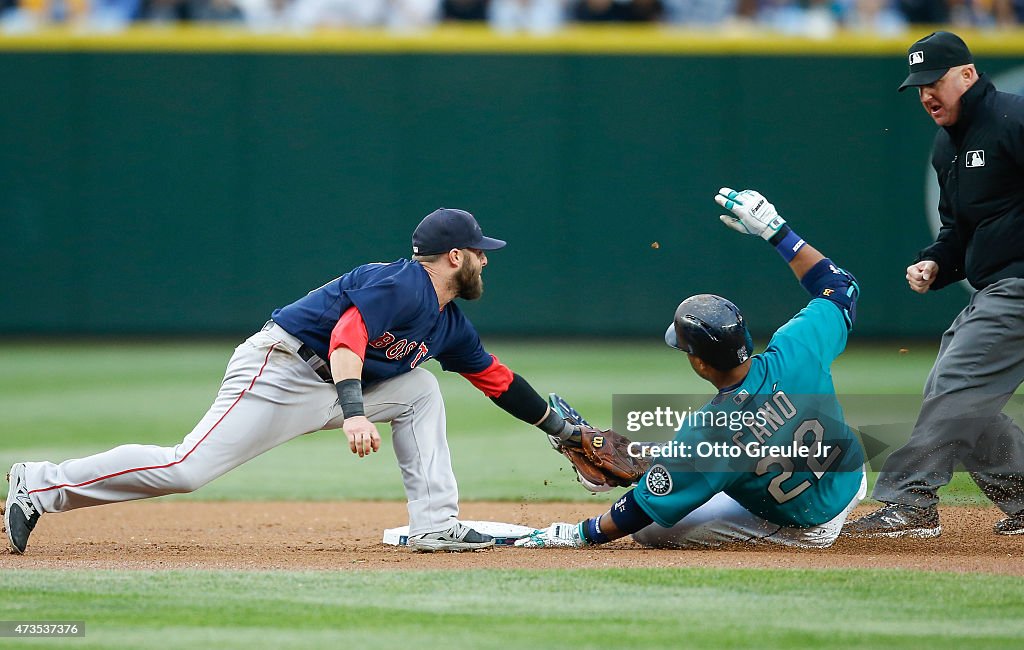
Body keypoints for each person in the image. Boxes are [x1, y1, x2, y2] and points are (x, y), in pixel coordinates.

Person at [4, 208, 585, 554]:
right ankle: (39, 484)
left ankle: (435, 524)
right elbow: (345, 338)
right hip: (280, 371)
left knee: (421, 391)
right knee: (187, 467)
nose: (488, 261)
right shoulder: (399, 284)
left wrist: (562, 431)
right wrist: (355, 411)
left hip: (330, 385)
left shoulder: (449, 323)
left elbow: (499, 381)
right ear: (455, 256)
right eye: (481, 253)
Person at [517, 188, 867, 550]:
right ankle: (650, 461)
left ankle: (645, 466)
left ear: (699, 362)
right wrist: (777, 231)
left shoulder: (708, 433)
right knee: (711, 460)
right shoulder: (798, 348)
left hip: (807, 526)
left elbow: (637, 511)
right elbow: (840, 287)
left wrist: (579, 533)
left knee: (653, 529)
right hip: (850, 479)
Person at [844, 31, 1024, 539]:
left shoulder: (1012, 118)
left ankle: (909, 501)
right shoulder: (948, 146)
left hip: (1018, 287)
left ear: (968, 74)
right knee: (963, 397)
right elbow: (958, 232)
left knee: (958, 385)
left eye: (935, 81)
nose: (926, 94)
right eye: (918, 85)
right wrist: (936, 265)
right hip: (998, 288)